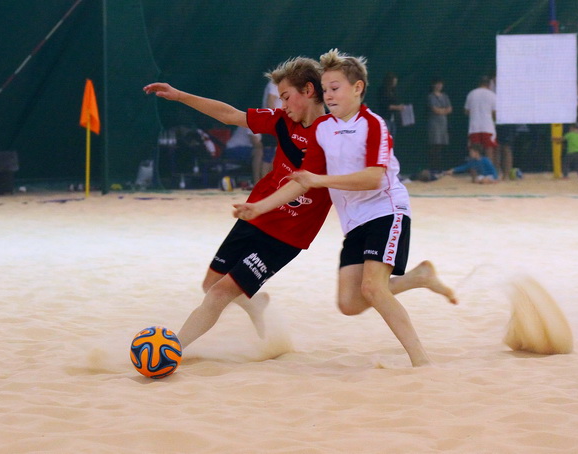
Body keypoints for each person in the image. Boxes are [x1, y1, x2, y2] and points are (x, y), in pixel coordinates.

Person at [235, 49, 457, 368]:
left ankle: (422, 362)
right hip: (354, 221)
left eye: (335, 88)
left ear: (358, 88)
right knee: (350, 303)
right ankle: (418, 277)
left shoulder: (373, 125)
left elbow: (373, 177)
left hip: (386, 210)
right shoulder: (323, 128)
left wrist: (319, 180)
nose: (328, 95)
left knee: (373, 288)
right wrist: (260, 207)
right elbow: (303, 180)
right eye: (325, 89)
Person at [143, 56, 332, 349]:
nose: (282, 104)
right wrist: (179, 95)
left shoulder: (335, 135)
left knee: (220, 293)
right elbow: (229, 115)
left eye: (285, 97)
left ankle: (171, 350)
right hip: (255, 215)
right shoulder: (282, 121)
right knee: (210, 284)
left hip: (287, 235)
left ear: (308, 90)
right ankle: (256, 305)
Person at [253, 80, 283, 183]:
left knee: (274, 155)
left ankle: (269, 183)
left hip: (276, 123)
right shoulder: (275, 83)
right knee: (269, 155)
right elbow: (270, 102)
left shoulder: (284, 84)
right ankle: (264, 185)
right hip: (272, 124)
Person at [465, 76, 497, 170]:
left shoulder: (471, 94)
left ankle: (474, 175)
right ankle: (489, 172)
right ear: (489, 84)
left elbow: (466, 111)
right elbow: (494, 112)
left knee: (473, 151)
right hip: (487, 127)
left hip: (474, 127)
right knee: (489, 150)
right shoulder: (492, 95)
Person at [427, 78, 452, 171]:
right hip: (434, 124)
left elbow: (450, 109)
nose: (439, 86)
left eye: (440, 84)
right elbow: (435, 110)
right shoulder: (431, 97)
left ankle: (441, 167)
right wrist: (443, 110)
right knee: (435, 146)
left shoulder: (445, 96)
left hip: (443, 124)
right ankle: (434, 168)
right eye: (437, 84)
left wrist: (442, 111)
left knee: (442, 145)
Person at [377, 72, 405, 138]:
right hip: (385, 117)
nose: (394, 84)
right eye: (393, 82)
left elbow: (395, 102)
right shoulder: (382, 91)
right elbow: (385, 105)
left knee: (392, 138)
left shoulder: (393, 91)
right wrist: (397, 107)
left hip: (393, 119)